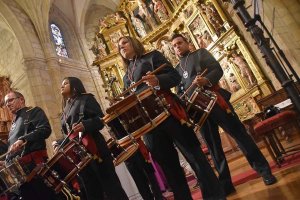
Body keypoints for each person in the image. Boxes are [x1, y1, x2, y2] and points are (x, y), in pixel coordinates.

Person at [117, 36, 225, 200]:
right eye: (119, 46)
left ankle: (215, 196)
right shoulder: (126, 78)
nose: (121, 47)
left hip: (169, 114)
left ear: (134, 43)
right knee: (170, 169)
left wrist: (158, 80)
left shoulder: (152, 57)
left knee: (195, 157)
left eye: (124, 42)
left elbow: (175, 77)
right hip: (149, 126)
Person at [171, 33, 277, 195]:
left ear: (187, 43)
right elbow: (179, 92)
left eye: (179, 43)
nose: (177, 47)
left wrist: (205, 80)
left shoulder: (200, 54)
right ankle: (226, 184)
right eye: (174, 46)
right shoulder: (177, 70)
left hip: (215, 101)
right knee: (214, 149)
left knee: (240, 136)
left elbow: (217, 69)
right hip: (199, 111)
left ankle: (264, 171)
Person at [58, 77, 128, 200]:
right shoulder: (65, 108)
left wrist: (85, 125)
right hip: (79, 153)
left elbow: (101, 120)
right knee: (92, 190)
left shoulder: (86, 98)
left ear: (75, 85)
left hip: (95, 145)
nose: (62, 86)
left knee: (111, 185)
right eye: (61, 84)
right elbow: (67, 133)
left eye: (65, 83)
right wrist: (59, 143)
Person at [1, 91, 59, 200]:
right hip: (20, 174)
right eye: (6, 103)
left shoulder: (33, 112)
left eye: (10, 100)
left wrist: (23, 139)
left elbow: (45, 129)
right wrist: (5, 162)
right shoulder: (13, 124)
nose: (8, 104)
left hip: (35, 167)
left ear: (21, 99)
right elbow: (13, 151)